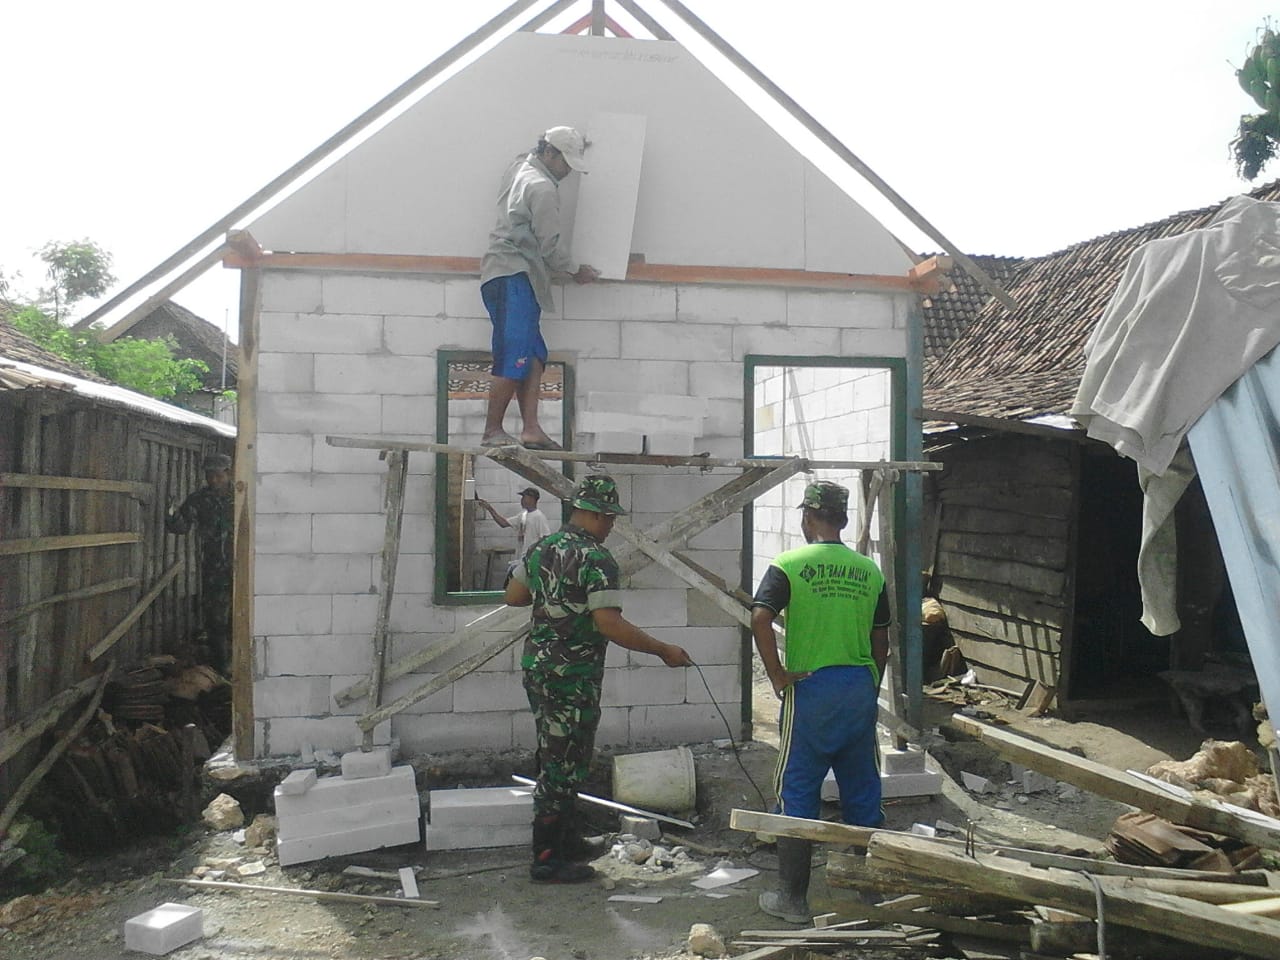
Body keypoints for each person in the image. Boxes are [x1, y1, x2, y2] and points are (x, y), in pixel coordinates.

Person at [504, 474, 693, 883]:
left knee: (562, 754)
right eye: (607, 518)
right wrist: (662, 649)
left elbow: (514, 596)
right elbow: (608, 623)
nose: (609, 526)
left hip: (539, 667)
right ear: (590, 513)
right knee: (562, 762)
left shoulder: (544, 547)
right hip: (572, 675)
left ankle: (568, 840)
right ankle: (547, 857)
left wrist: (553, 599)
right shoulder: (596, 559)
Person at [750, 480, 892, 923]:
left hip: (810, 688)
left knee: (797, 792)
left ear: (808, 518)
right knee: (863, 790)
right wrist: (870, 685)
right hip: (857, 688)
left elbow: (759, 617)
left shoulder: (788, 564)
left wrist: (777, 676)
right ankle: (868, 898)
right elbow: (881, 639)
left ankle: (793, 900)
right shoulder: (870, 571)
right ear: (844, 521)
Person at [479, 125, 600, 450]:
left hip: (508, 275)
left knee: (533, 354)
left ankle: (531, 428)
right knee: (514, 352)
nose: (567, 173)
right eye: (565, 163)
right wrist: (576, 271)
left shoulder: (520, 166)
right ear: (549, 153)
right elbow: (550, 247)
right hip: (513, 274)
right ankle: (492, 431)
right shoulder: (543, 187)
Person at [166, 452, 236, 674]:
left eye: (218, 475)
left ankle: (244, 668)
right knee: (216, 621)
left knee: (246, 616)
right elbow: (181, 527)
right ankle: (222, 671)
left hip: (245, 568)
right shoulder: (199, 499)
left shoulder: (243, 495)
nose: (213, 480)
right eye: (209, 476)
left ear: (229, 473)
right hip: (214, 570)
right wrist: (171, 513)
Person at [477, 486, 553, 572]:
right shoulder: (523, 515)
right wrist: (489, 508)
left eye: (524, 497)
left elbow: (546, 539)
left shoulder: (539, 517)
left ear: (532, 499)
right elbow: (503, 523)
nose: (522, 500)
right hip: (521, 560)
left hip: (530, 561)